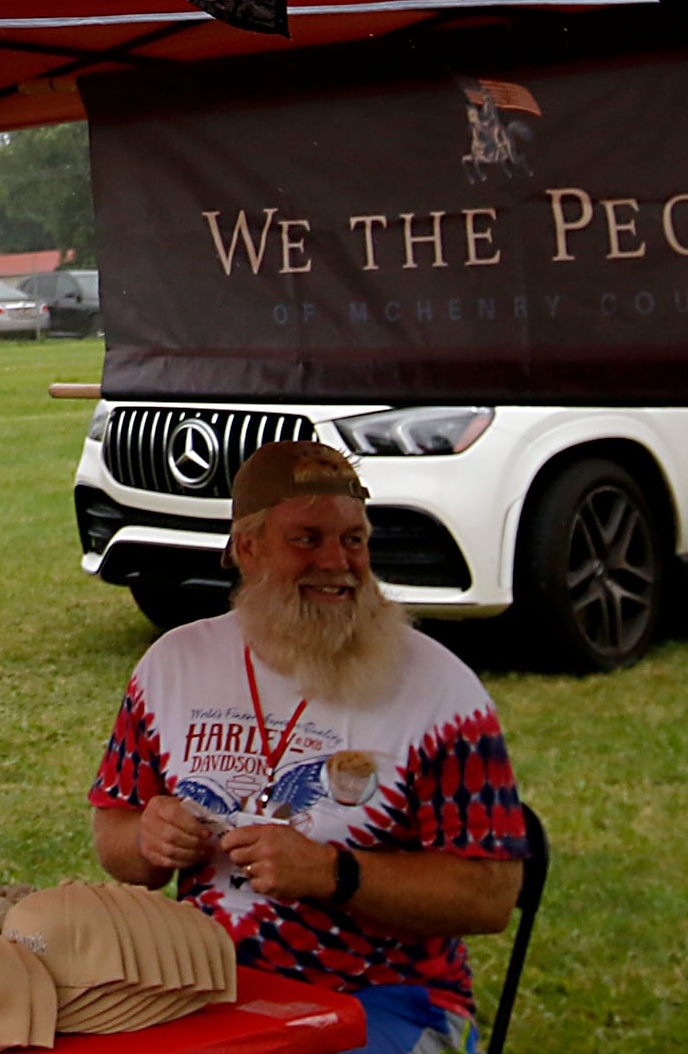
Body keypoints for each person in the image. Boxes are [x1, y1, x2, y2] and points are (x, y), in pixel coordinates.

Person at [93, 440, 528, 1054]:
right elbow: (113, 832)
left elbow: (490, 896)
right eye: (308, 539)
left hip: (389, 998)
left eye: (353, 539)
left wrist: (334, 872)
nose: (338, 561)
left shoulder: (440, 690)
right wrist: (146, 838)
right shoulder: (173, 667)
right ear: (248, 548)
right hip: (201, 987)